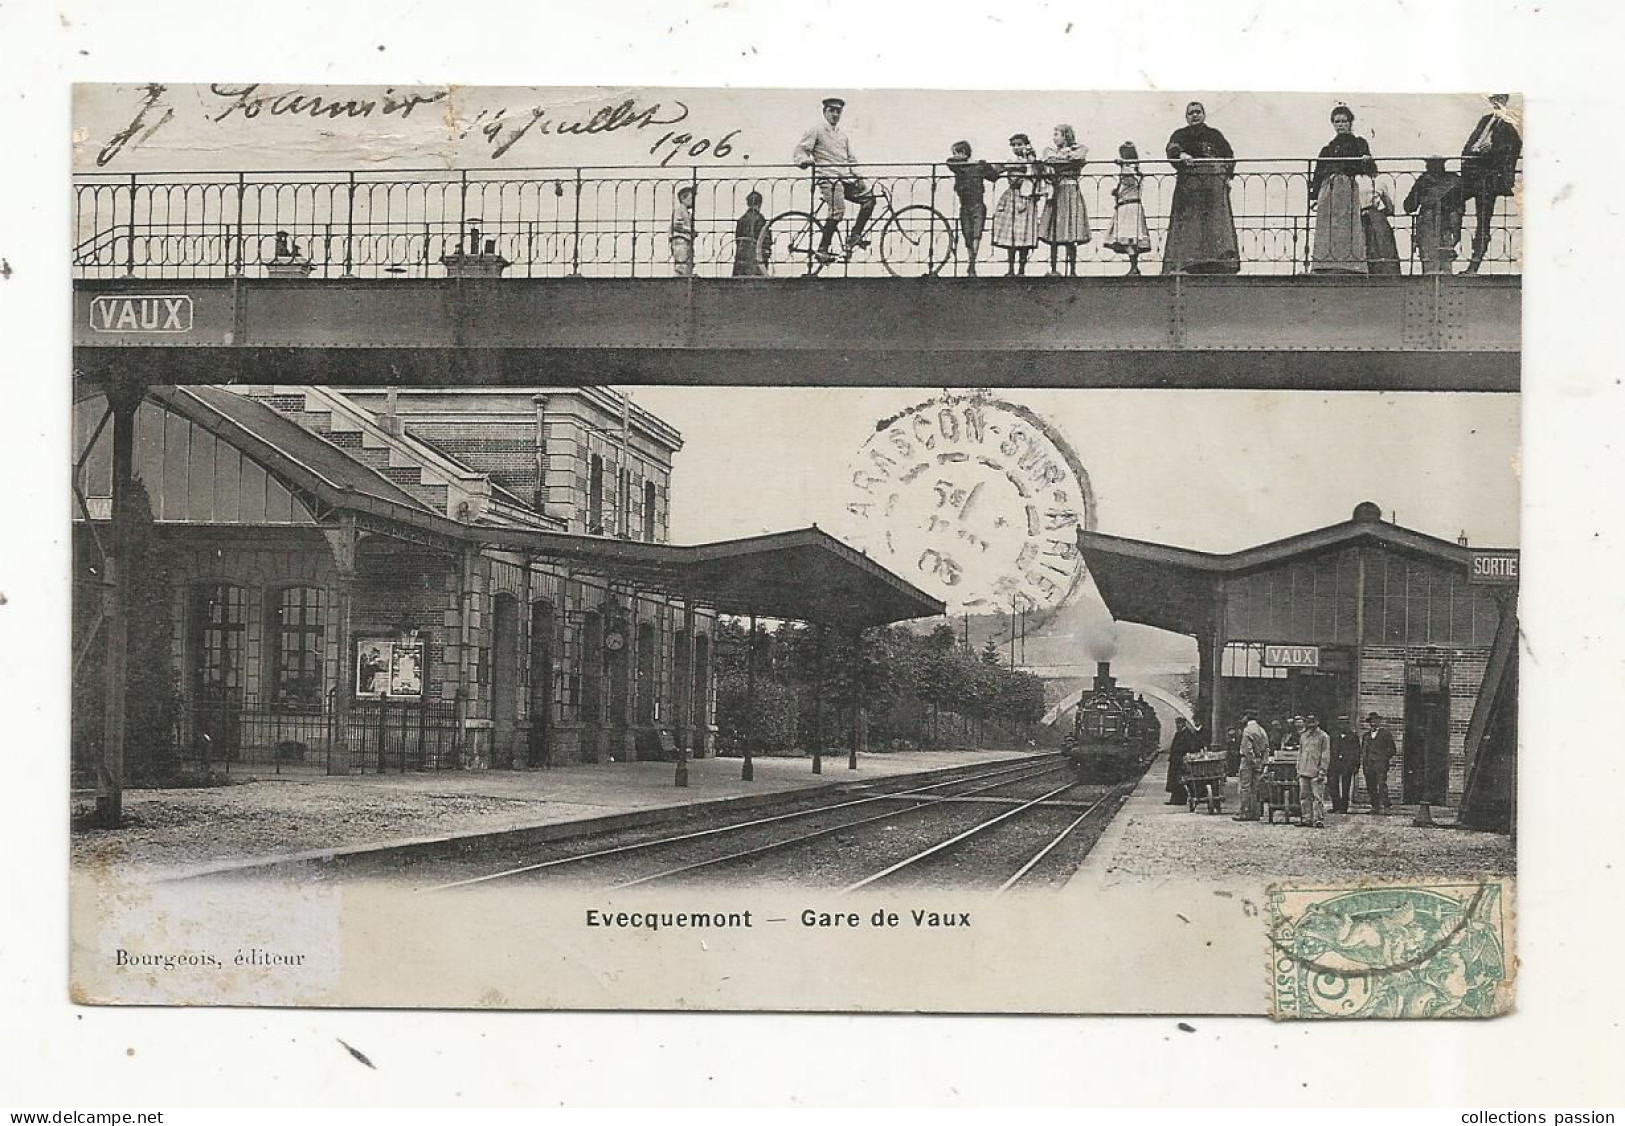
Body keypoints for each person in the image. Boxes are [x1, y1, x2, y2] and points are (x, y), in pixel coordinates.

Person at [792, 96, 877, 264]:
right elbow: (800, 150)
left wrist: (859, 177)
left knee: (869, 200)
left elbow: (851, 160)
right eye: (832, 110)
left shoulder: (842, 135)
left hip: (845, 179)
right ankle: (822, 249)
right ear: (824, 112)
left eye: (838, 111)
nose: (835, 114)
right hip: (828, 178)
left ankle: (854, 236)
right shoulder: (815, 130)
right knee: (838, 211)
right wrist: (804, 161)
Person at [1162, 101, 1239, 275]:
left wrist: (1227, 176)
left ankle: (1218, 263)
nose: (1195, 115)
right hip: (1190, 188)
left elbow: (1229, 156)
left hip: (1213, 187)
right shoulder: (1180, 134)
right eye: (1191, 113)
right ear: (1186, 117)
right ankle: (1188, 264)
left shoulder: (1214, 134)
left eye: (1198, 112)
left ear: (1204, 114)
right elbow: (1172, 149)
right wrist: (1181, 155)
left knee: (1215, 224)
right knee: (1191, 224)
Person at [1309, 104, 1376, 274]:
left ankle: (1348, 263)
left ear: (1350, 123)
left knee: (1347, 224)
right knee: (1329, 225)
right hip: (1328, 189)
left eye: (1344, 121)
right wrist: (1315, 195)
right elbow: (1318, 173)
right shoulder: (1327, 149)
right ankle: (1325, 263)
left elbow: (1371, 169)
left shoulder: (1359, 143)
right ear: (1333, 124)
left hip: (1346, 187)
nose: (1341, 125)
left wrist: (1366, 160)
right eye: (1337, 122)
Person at [1459, 94, 1522, 274]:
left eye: (1500, 99)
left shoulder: (1513, 123)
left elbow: (1512, 150)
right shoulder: (1485, 120)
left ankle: (1474, 263)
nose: (1496, 103)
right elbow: (1468, 146)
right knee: (1447, 198)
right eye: (1494, 100)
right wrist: (1472, 155)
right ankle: (1449, 243)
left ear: (1505, 101)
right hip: (1475, 174)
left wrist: (1490, 152)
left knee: (1483, 220)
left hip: (1491, 177)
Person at [1040, 124, 1091, 276]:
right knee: (1054, 230)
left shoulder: (1077, 149)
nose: (1054, 138)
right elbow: (1049, 160)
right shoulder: (1050, 151)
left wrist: (1062, 160)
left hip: (1071, 192)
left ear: (1066, 136)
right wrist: (1063, 160)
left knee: (1071, 230)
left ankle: (1073, 270)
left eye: (1057, 134)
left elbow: (1079, 157)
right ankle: (1054, 268)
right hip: (1058, 192)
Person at [992, 133, 1045, 276]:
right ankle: (1010, 268)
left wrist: (1030, 161)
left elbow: (1037, 173)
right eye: (1014, 145)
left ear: (1026, 145)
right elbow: (997, 171)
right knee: (1011, 233)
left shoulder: (1032, 161)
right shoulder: (1011, 160)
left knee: (1024, 233)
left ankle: (1021, 268)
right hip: (1012, 196)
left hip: (1026, 196)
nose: (1017, 147)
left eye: (1020, 144)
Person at [1405, 156, 1466, 275]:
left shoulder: (1424, 180)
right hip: (1448, 222)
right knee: (1445, 264)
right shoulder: (1454, 180)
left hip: (1428, 222)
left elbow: (1409, 206)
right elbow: (1460, 207)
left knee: (1429, 265)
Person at [946, 140, 999, 277]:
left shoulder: (977, 166)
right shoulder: (960, 166)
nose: (955, 156)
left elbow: (993, 176)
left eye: (956, 152)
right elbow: (949, 162)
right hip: (965, 205)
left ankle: (972, 263)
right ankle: (971, 261)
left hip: (977, 205)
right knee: (967, 234)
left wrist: (986, 166)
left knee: (976, 234)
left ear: (963, 152)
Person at [1105, 141, 1153, 274]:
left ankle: (1134, 267)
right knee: (1129, 238)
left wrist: (1122, 164)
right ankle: (1133, 266)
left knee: (1129, 238)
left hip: (1129, 208)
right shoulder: (1132, 171)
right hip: (1127, 206)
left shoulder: (1130, 170)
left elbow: (1130, 179)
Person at [1363, 172, 1402, 276]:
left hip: (1357, 218)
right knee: (1382, 248)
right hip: (1376, 218)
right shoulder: (1378, 181)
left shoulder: (1353, 182)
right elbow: (1390, 207)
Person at [1233, 710, 1269, 821]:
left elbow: (1247, 749)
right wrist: (1262, 762)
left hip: (1247, 762)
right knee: (1255, 788)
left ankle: (1244, 812)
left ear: (1246, 717)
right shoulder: (1262, 730)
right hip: (1259, 760)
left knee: (1245, 787)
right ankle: (1256, 812)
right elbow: (1266, 748)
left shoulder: (1247, 731)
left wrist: (1252, 761)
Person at [1296, 714, 1330, 828]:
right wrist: (1298, 768)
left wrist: (1322, 770)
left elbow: (1325, 755)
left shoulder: (1323, 736)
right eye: (1308, 721)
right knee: (1304, 796)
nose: (1310, 724)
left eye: (1313, 721)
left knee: (1317, 797)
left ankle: (1318, 819)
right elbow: (1300, 753)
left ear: (1318, 722)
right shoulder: (1303, 736)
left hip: (1316, 771)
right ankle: (1306, 818)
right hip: (1304, 770)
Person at [1361, 711, 1397, 813]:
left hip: (1381, 765)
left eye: (1375, 721)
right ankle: (1374, 807)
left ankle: (1386, 806)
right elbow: (1364, 750)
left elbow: (1392, 750)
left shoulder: (1385, 734)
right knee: (1371, 786)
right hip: (1369, 765)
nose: (1373, 723)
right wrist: (1365, 763)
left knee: (1382, 785)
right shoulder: (1366, 736)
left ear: (1379, 722)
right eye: (1371, 721)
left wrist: (1383, 758)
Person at [1329, 714, 1362, 814]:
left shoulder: (1353, 736)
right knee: (1333, 785)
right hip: (1334, 764)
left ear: (1348, 725)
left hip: (1347, 765)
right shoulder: (1333, 736)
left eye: (1345, 724)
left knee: (1345, 786)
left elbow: (1357, 752)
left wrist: (1356, 765)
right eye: (1340, 724)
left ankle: (1343, 807)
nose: (1342, 726)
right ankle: (1336, 806)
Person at [732, 191, 769, 277]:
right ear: (760, 204)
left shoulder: (741, 219)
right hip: (757, 259)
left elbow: (737, 239)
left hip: (741, 258)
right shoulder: (760, 220)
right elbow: (765, 241)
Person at [1166, 715, 1199, 805]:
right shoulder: (1180, 733)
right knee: (1174, 780)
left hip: (1180, 760)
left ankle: (1180, 799)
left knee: (1178, 780)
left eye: (1179, 723)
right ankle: (1175, 799)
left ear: (1183, 723)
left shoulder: (1187, 734)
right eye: (1177, 723)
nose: (1178, 725)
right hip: (1175, 760)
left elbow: (1191, 747)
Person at [670, 185, 696, 277]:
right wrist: (690, 230)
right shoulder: (680, 210)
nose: (693, 201)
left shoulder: (686, 211)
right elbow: (676, 225)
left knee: (687, 263)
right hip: (680, 240)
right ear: (683, 198)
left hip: (685, 240)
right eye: (691, 198)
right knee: (681, 264)